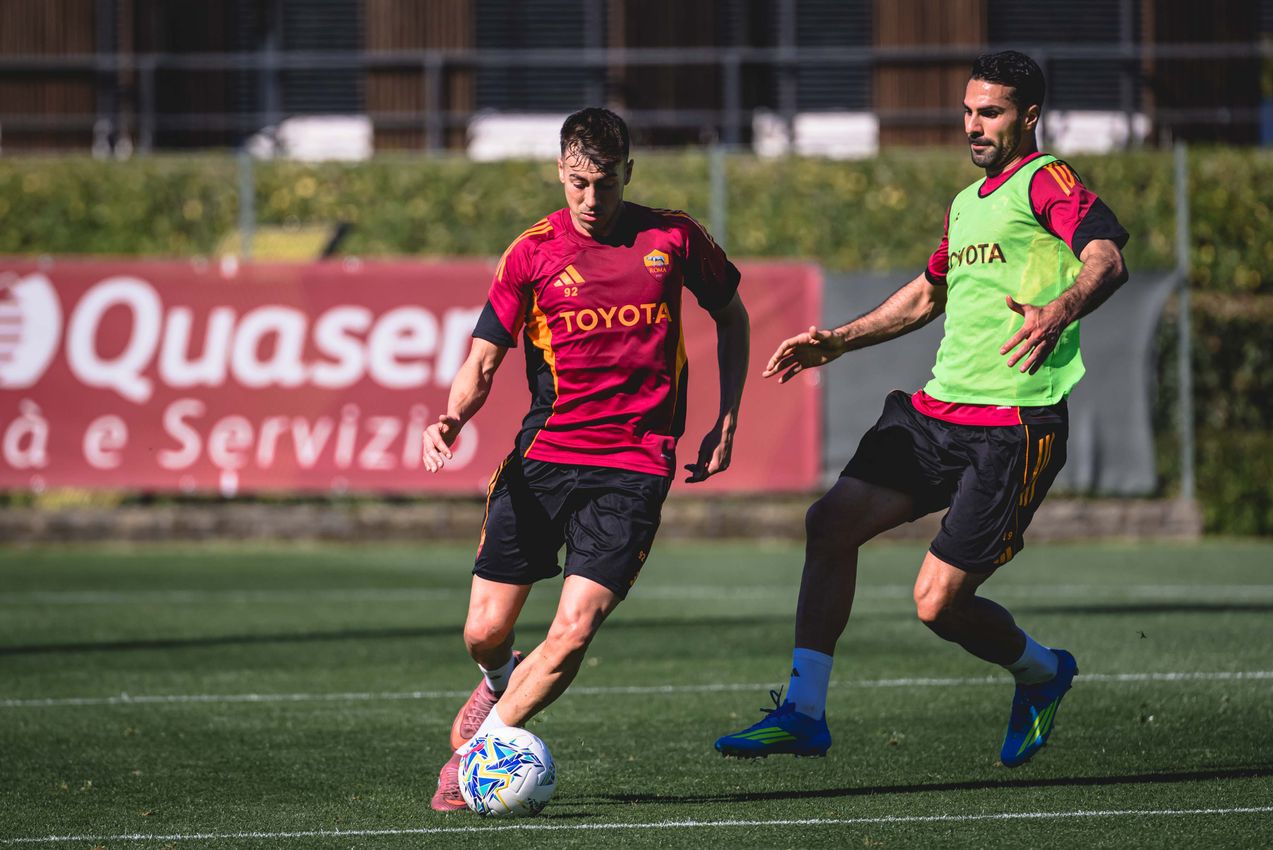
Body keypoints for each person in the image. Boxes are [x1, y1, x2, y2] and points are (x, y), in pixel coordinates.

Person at [714, 51, 1128, 767]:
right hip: (936, 415)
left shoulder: (1045, 180)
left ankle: (1041, 672)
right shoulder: (966, 204)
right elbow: (926, 294)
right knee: (829, 524)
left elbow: (1106, 257)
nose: (973, 124)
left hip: (1011, 425)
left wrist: (1059, 309)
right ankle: (803, 712)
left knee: (937, 604)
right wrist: (838, 340)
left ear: (1029, 116)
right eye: (967, 110)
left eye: (990, 112)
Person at [425, 107, 750, 810]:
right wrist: (453, 416)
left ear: (628, 172)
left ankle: (476, 758)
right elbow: (483, 360)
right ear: (560, 172)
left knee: (573, 633)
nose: (591, 199)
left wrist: (727, 417)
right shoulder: (531, 252)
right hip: (542, 460)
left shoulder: (674, 237)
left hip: (633, 466)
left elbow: (731, 314)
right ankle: (498, 681)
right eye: (578, 183)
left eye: (605, 183)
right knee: (483, 631)